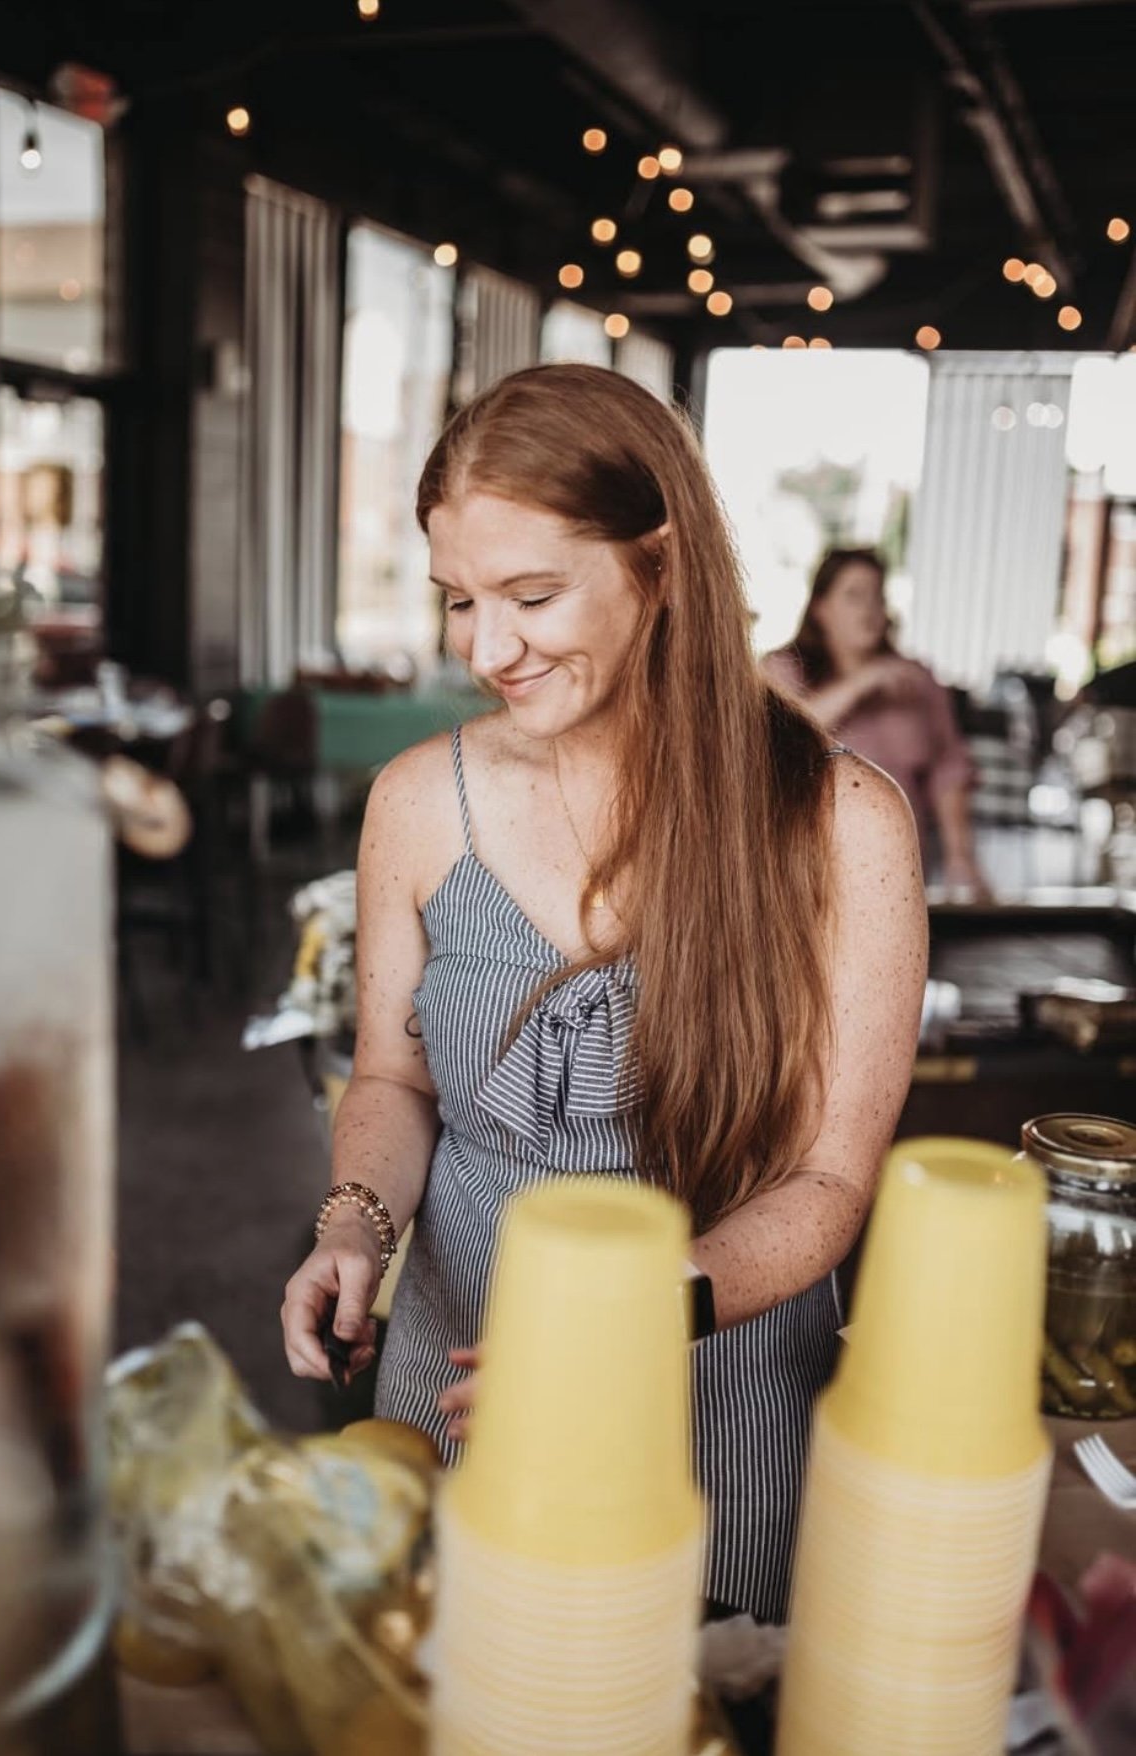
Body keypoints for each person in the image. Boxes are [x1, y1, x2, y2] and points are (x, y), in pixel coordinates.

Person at [281, 365, 926, 1622]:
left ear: (663, 563)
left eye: (531, 594)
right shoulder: (418, 803)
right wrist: (354, 1221)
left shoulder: (840, 823)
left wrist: (625, 1322)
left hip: (709, 1398)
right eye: (459, 599)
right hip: (458, 1381)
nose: (486, 649)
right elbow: (395, 1075)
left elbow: (832, 1179)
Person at [762, 547, 987, 893]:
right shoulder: (782, 670)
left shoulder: (918, 681)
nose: (869, 609)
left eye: (877, 597)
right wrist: (864, 681)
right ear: (821, 608)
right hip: (805, 874)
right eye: (854, 596)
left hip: (900, 872)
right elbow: (785, 735)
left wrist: (962, 859)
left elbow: (948, 772)